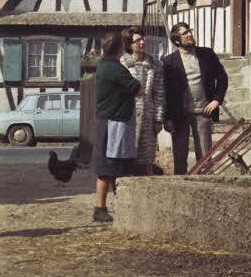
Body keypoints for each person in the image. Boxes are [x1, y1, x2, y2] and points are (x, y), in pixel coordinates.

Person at [162, 22, 228, 175]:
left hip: (203, 111)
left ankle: (205, 187)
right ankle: (182, 190)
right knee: (180, 157)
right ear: (177, 40)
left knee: (205, 157)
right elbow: (165, 91)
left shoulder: (207, 54)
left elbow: (222, 78)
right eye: (184, 34)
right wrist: (167, 118)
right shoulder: (168, 62)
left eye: (189, 31)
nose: (189, 35)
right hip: (179, 115)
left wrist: (216, 100)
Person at [91, 31, 141, 222]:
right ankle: (103, 208)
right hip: (115, 122)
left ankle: (103, 207)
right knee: (112, 167)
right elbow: (137, 88)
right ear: (120, 48)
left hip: (109, 120)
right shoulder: (115, 69)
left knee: (109, 167)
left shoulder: (103, 65)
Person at [120, 29, 165, 176]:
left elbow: (159, 92)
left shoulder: (154, 64)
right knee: (128, 154)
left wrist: (158, 119)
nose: (142, 42)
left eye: (143, 39)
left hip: (148, 116)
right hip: (128, 116)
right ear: (129, 44)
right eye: (137, 40)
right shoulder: (122, 64)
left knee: (147, 158)